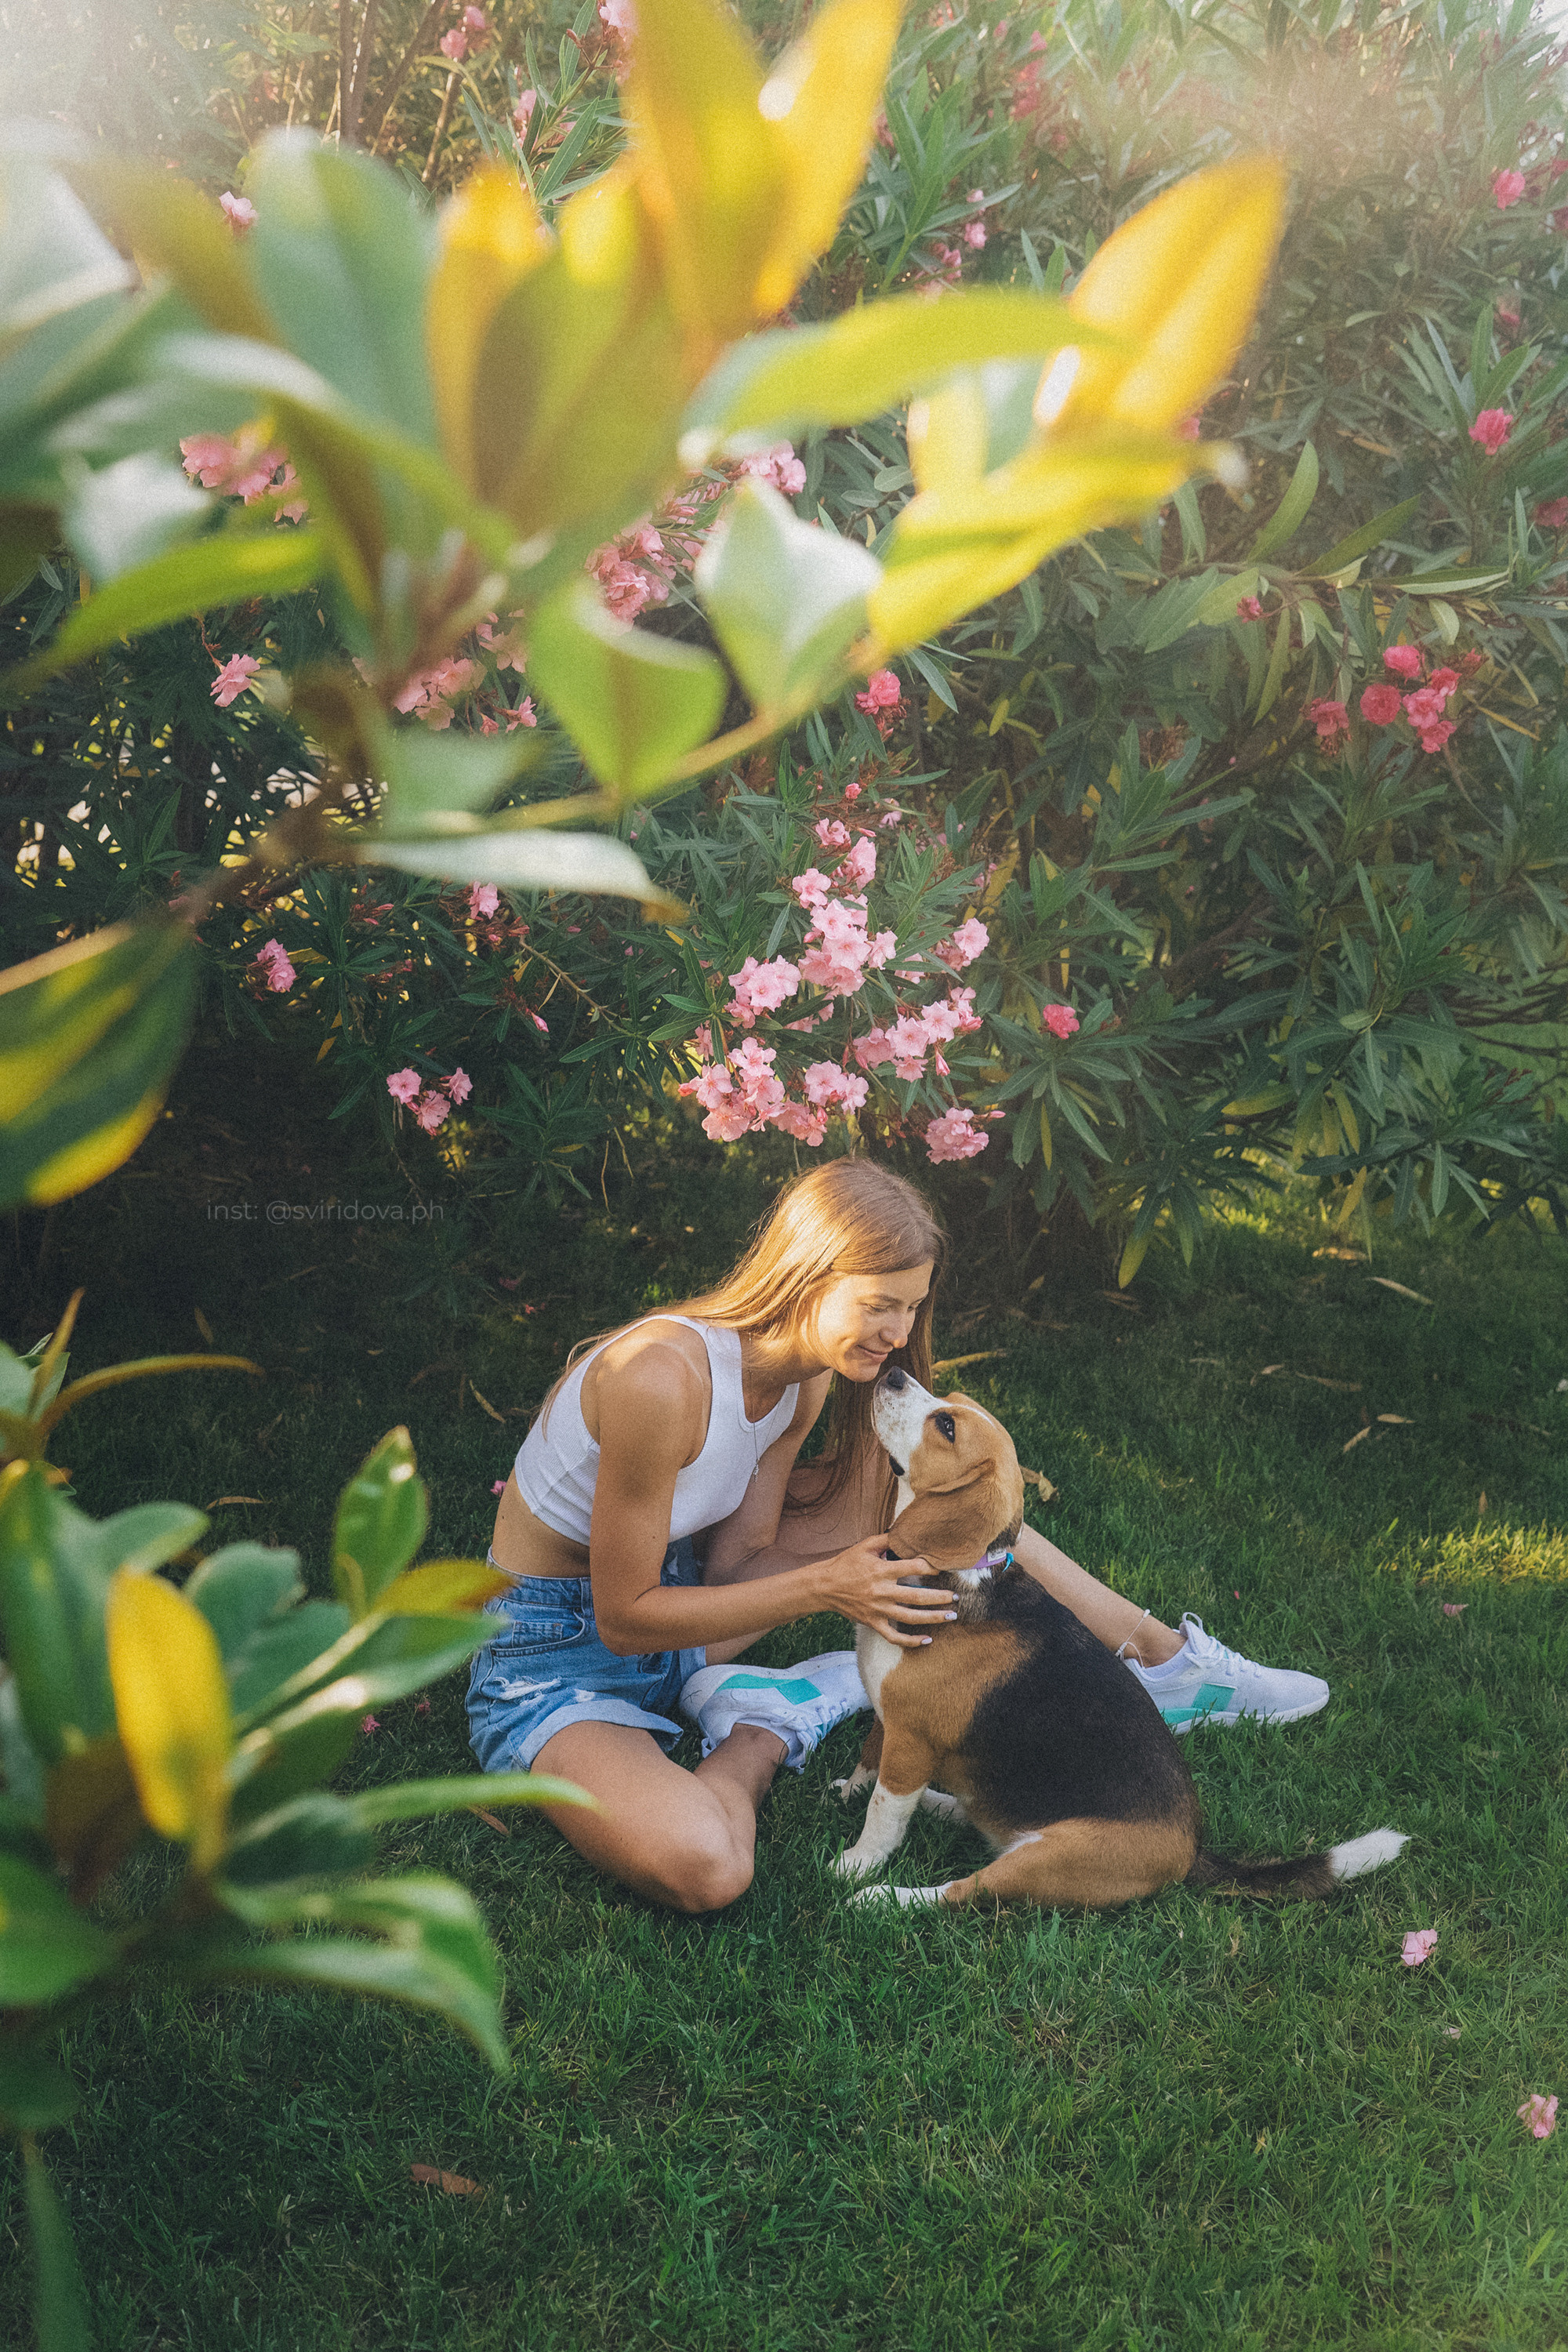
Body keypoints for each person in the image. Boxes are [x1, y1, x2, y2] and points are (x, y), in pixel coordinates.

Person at [468, 1160, 1328, 1913]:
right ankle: (763, 1729)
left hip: (680, 1611)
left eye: (911, 1306)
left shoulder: (801, 1379)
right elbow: (623, 1619)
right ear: (804, 1277)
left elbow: (733, 1565)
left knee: (962, 1508)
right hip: (558, 1654)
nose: (898, 1335)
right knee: (708, 1869)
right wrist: (826, 1587)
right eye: (878, 1304)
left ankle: (1162, 1659)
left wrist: (873, 1562)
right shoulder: (658, 1379)